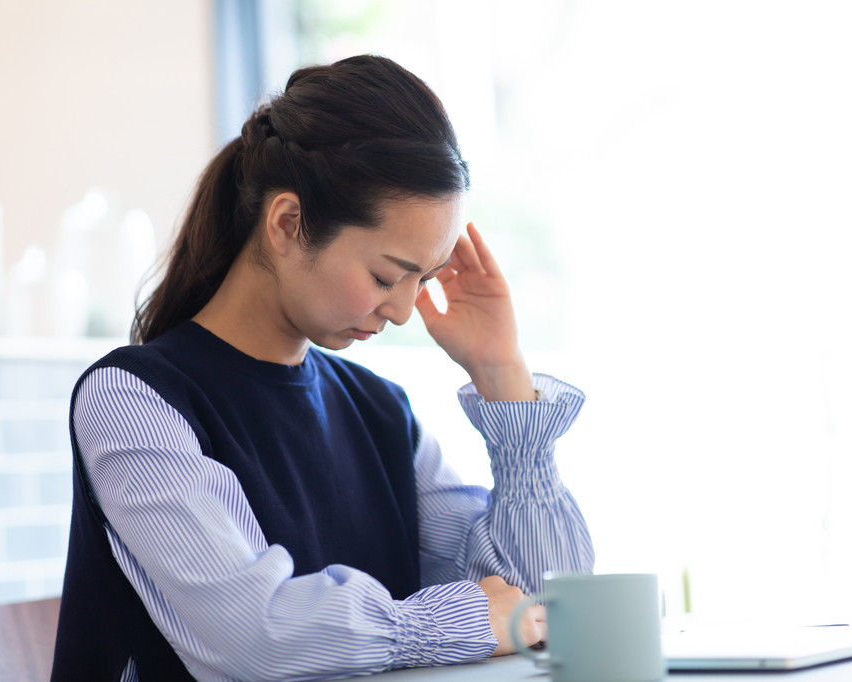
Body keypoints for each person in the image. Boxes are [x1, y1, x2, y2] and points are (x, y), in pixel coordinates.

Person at [50, 55, 594, 682]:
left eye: (425, 278)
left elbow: (538, 599)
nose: (401, 311)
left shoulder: (382, 411)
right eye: (386, 276)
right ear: (287, 223)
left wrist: (502, 374)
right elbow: (260, 636)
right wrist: (465, 620)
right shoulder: (135, 401)